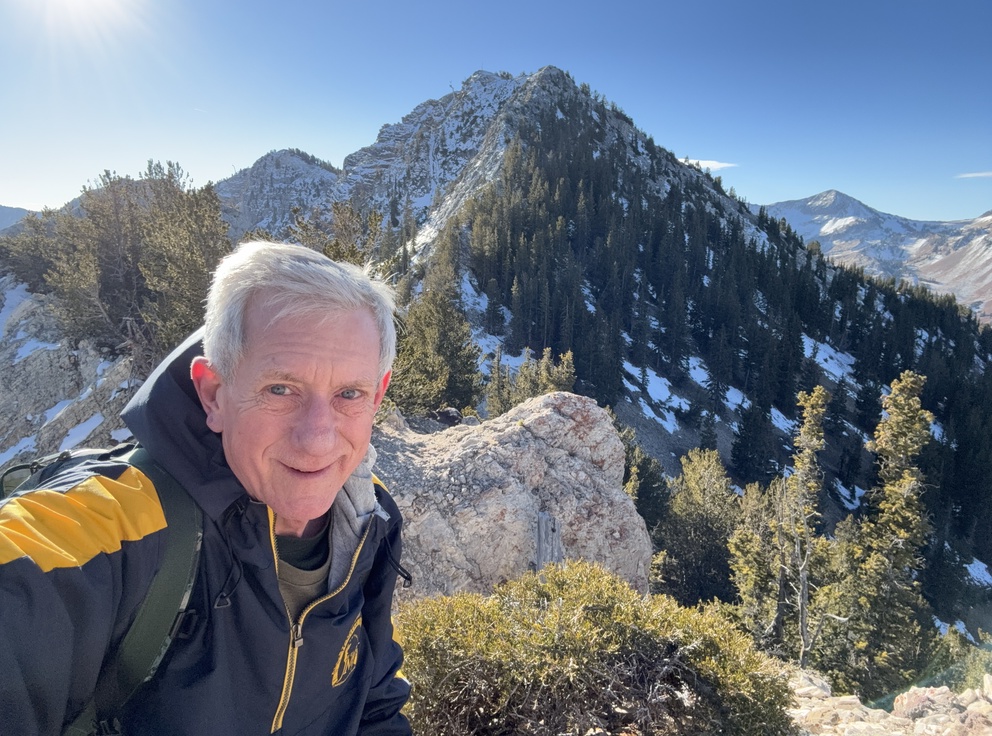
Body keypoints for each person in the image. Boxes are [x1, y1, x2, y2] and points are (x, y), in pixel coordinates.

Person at [0, 241, 412, 734]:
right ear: (215, 394)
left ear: (378, 395)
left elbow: (376, 702)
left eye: (349, 394)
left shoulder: (369, 519)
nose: (318, 439)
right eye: (280, 389)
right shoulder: (120, 526)